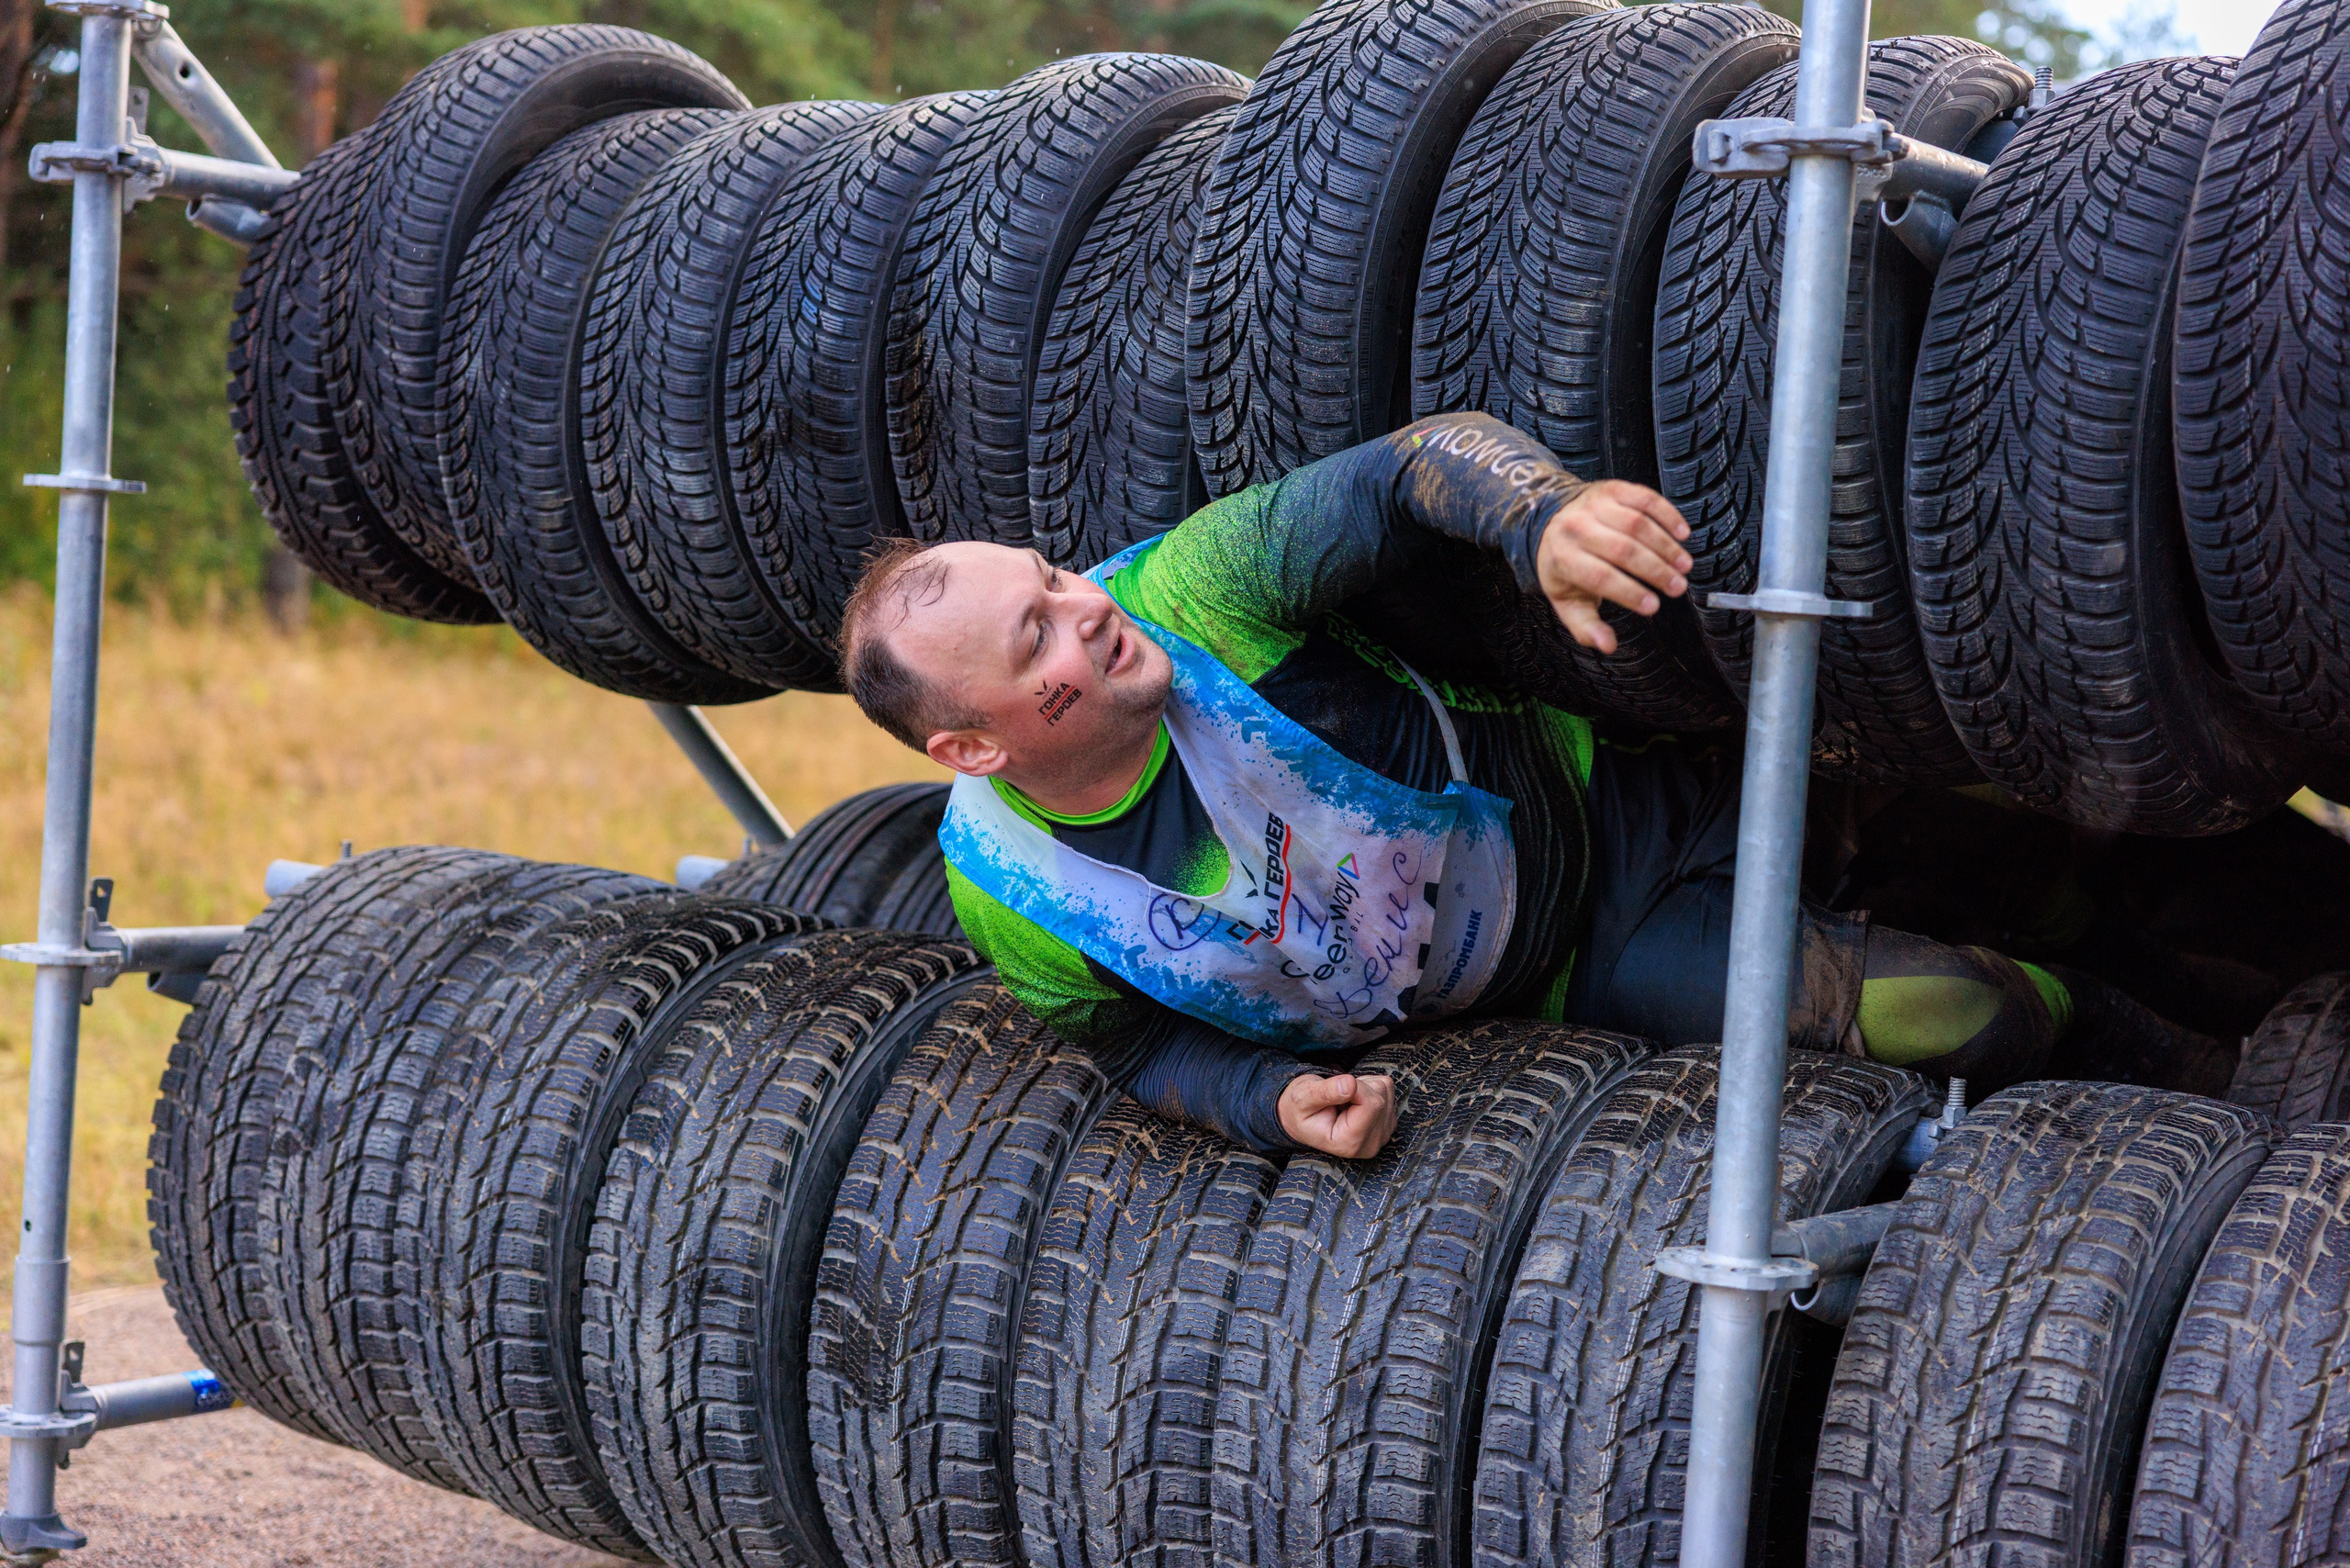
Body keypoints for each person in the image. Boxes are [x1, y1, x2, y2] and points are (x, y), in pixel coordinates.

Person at [839, 412, 2230, 1159]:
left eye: (1054, 579)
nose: (1083, 611)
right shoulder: (1012, 890)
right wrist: (1268, 1104)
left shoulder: (1198, 592)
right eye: (1036, 639)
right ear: (972, 747)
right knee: (1953, 1015)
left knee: (2029, 863)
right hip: (1586, 966)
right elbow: (1134, 1049)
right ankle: (2200, 1100)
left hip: (1628, 802)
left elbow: (1405, 469)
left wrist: (1543, 515)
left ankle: (2226, 1036)